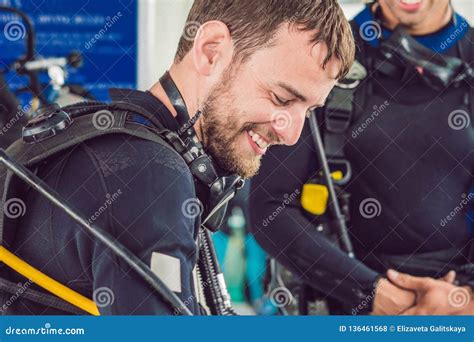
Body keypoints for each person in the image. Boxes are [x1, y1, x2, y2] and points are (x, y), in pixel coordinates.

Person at [0, 0, 354, 315]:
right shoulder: (149, 175)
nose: (291, 134)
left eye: (308, 111)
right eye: (281, 98)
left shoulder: (91, 135)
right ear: (212, 51)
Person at [249, 0, 473, 315]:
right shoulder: (322, 56)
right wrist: (369, 293)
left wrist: (466, 295)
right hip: (342, 304)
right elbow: (269, 206)